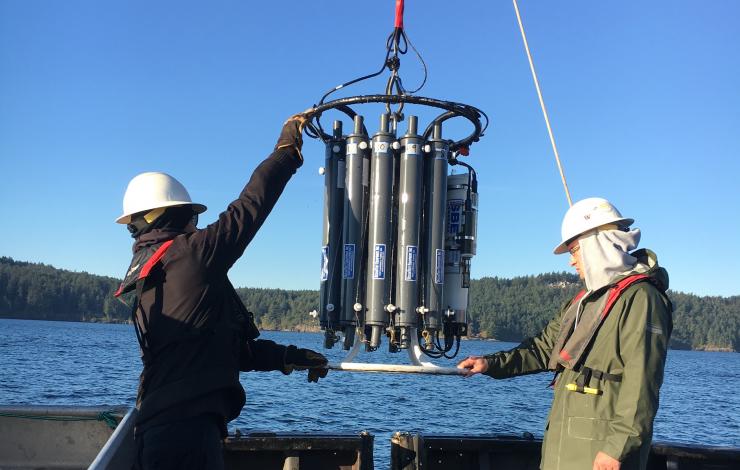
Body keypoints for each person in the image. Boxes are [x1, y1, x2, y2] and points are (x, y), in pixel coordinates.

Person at [114, 115, 329, 470]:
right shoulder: (191, 255)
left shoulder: (147, 274)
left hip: (159, 429)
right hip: (187, 438)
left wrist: (288, 356)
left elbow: (225, 351)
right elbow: (249, 207)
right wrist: (286, 152)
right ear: (172, 216)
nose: (197, 227)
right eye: (193, 219)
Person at [458, 198, 673, 470]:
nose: (571, 262)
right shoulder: (583, 302)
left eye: (574, 250)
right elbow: (542, 348)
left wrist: (617, 449)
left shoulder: (642, 299)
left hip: (602, 454)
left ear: (597, 244)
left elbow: (641, 383)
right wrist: (490, 363)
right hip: (564, 450)